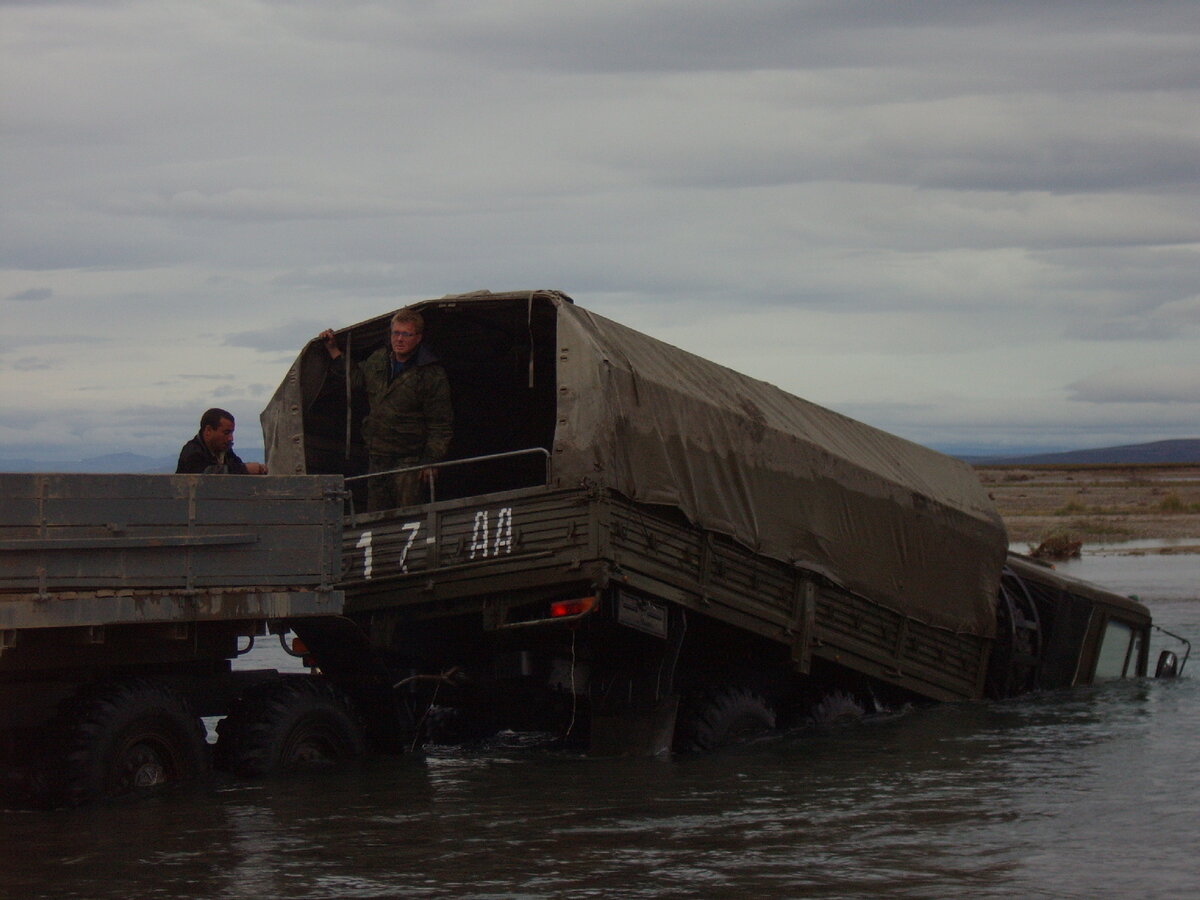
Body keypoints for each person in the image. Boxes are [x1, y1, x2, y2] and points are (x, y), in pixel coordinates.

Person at [321, 307, 453, 510]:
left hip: (409, 459)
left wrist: (430, 460)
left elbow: (440, 423)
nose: (399, 339)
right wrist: (333, 350)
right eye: (395, 333)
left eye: (406, 334)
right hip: (378, 455)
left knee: (409, 513)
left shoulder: (430, 374)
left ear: (418, 337)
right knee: (376, 513)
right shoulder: (379, 360)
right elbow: (355, 379)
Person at [176, 408, 268, 474]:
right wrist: (244, 469)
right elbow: (206, 476)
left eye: (231, 433)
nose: (230, 438)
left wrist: (258, 469)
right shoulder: (192, 452)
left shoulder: (224, 451)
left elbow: (236, 465)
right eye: (226, 433)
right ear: (208, 430)